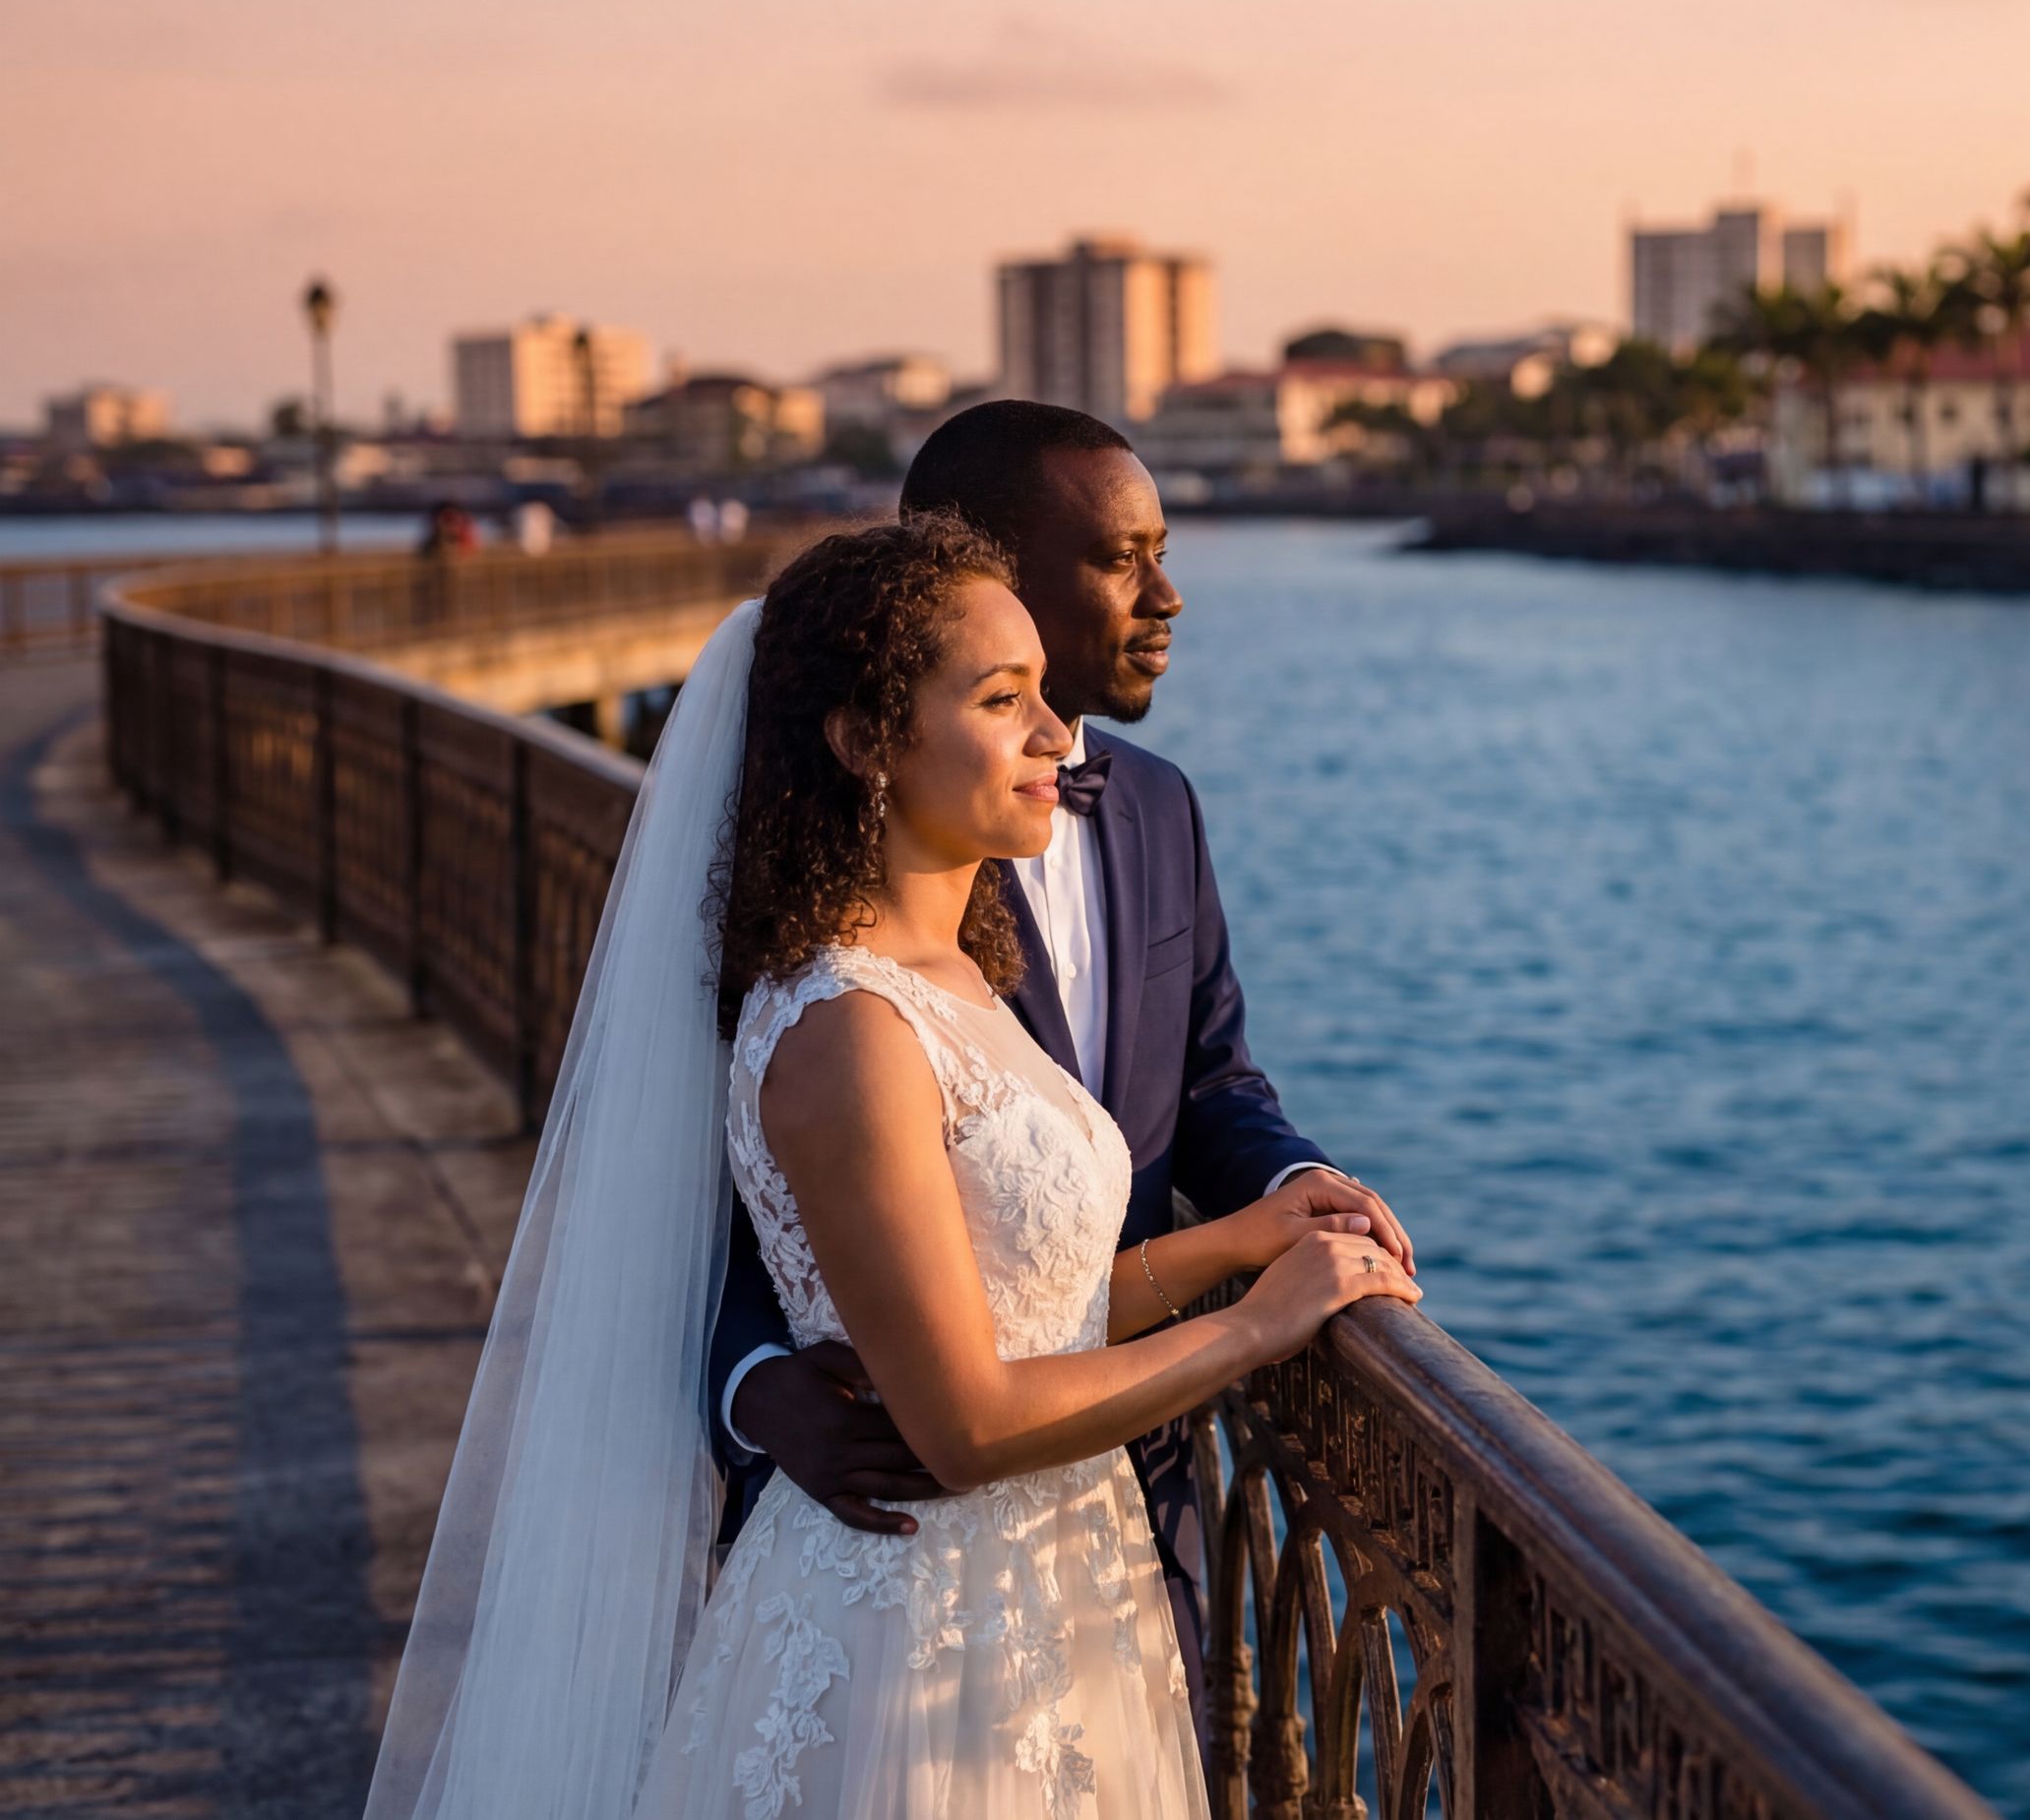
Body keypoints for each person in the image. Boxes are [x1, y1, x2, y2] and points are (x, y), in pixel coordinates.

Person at [366, 517, 1419, 1818]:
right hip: (919, 1630)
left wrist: (1246, 1237)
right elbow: (961, 1425)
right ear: (867, 740)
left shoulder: (953, 978)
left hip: (1056, 1600)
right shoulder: (850, 1027)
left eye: (1043, 694)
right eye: (1001, 700)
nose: (1056, 734)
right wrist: (1260, 1325)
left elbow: (1030, 1306)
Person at [709, 401, 1415, 1735]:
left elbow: (1210, 1086)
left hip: (1120, 1528)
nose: (1167, 594)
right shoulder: (830, 958)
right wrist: (750, 1385)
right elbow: (729, 1183)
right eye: (1119, 557)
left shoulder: (1139, 818)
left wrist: (1275, 1212)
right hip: (903, 1561)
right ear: (986, 563)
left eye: (1164, 552)